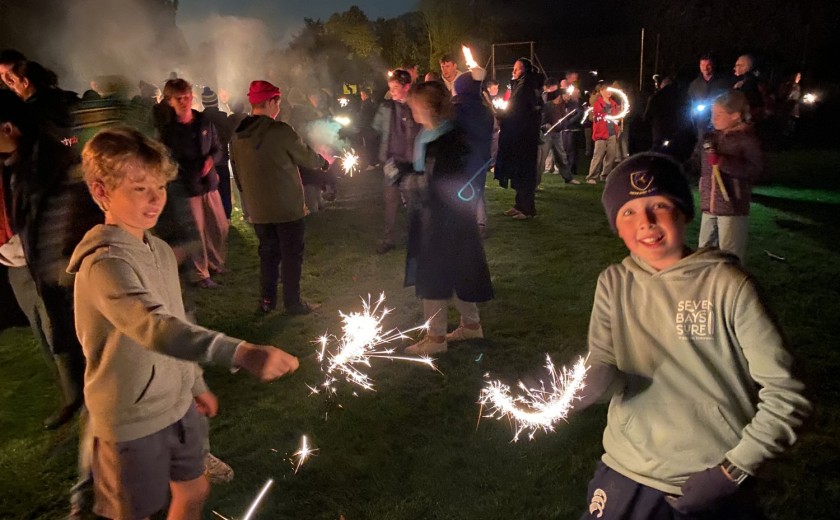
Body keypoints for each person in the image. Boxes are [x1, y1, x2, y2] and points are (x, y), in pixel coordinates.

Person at [67, 126, 300, 520]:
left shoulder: (156, 248)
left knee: (193, 490)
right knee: (133, 513)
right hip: (131, 420)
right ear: (101, 191)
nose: (156, 198)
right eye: (139, 188)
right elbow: (155, 327)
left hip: (177, 409)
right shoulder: (104, 264)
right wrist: (240, 352)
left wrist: (194, 383)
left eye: (159, 186)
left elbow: (178, 318)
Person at [578, 152, 810, 520]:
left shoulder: (730, 286)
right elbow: (603, 359)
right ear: (616, 227)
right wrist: (587, 384)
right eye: (629, 212)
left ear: (685, 212)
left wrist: (731, 472)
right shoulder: (613, 282)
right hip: (625, 469)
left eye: (659, 205)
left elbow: (787, 395)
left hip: (706, 478)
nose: (646, 222)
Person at [402, 81, 493, 355]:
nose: (410, 110)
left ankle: (436, 339)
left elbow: (439, 183)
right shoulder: (431, 135)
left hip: (443, 221)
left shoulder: (448, 139)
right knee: (457, 270)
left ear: (428, 107)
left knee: (434, 275)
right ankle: (471, 326)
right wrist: (408, 171)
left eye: (414, 105)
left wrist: (405, 179)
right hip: (442, 219)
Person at [230, 80, 329, 315]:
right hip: (286, 208)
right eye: (278, 101)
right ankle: (293, 303)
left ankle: (267, 301)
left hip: (258, 210)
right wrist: (323, 163)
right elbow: (306, 156)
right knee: (292, 256)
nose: (279, 107)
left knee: (268, 254)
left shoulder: (238, 136)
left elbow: (237, 172)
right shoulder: (280, 131)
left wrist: (249, 201)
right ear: (271, 101)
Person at [159, 78, 228, 288]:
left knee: (219, 226)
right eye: (179, 98)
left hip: (209, 182)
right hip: (187, 187)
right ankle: (201, 274)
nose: (184, 101)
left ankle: (216, 263)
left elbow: (217, 147)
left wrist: (211, 160)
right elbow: (169, 160)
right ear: (170, 101)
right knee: (195, 231)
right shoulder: (169, 131)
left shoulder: (204, 121)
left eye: (187, 97)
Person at [698, 90, 763, 264]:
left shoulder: (746, 139)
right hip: (709, 205)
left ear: (735, 115)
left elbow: (755, 170)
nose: (714, 118)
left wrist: (723, 162)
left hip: (732, 206)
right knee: (704, 251)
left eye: (719, 114)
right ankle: (707, 284)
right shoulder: (711, 138)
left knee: (729, 254)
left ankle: (731, 286)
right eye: (712, 113)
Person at [371, 69, 422, 254]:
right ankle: (388, 238)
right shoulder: (386, 107)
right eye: (390, 87)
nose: (391, 91)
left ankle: (416, 237)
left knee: (412, 201)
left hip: (410, 162)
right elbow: (376, 126)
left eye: (395, 88)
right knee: (390, 202)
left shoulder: (416, 105)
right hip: (392, 161)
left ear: (406, 87)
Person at [494, 58, 543, 219]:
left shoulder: (526, 86)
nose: (513, 72)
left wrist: (501, 114)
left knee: (524, 172)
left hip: (525, 137)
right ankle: (519, 204)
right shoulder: (521, 85)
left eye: (517, 69)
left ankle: (527, 208)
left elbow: (517, 109)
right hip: (520, 135)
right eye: (513, 68)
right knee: (518, 171)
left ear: (525, 70)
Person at [452, 67, 494, 238]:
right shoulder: (485, 110)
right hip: (481, 158)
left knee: (461, 191)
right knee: (477, 190)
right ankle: (480, 223)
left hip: (463, 156)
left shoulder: (457, 110)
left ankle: (468, 224)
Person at [200, 87, 234, 220]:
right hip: (222, 158)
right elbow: (229, 136)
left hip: (208, 160)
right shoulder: (223, 118)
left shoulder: (200, 119)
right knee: (224, 188)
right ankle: (226, 215)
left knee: (210, 189)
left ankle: (212, 215)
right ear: (215, 103)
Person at [585, 82, 621, 184]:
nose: (609, 92)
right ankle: (591, 177)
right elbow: (596, 116)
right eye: (606, 90)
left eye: (610, 90)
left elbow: (615, 117)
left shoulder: (613, 103)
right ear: (601, 91)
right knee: (598, 155)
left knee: (611, 156)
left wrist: (617, 127)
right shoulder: (597, 103)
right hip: (601, 133)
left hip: (612, 133)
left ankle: (605, 175)